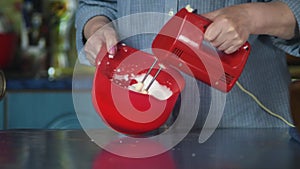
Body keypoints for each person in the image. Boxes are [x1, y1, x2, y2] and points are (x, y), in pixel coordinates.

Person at [75, 1, 300, 129]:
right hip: (135, 132)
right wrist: (96, 28)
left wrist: (248, 16)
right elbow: (97, 5)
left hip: (246, 129)